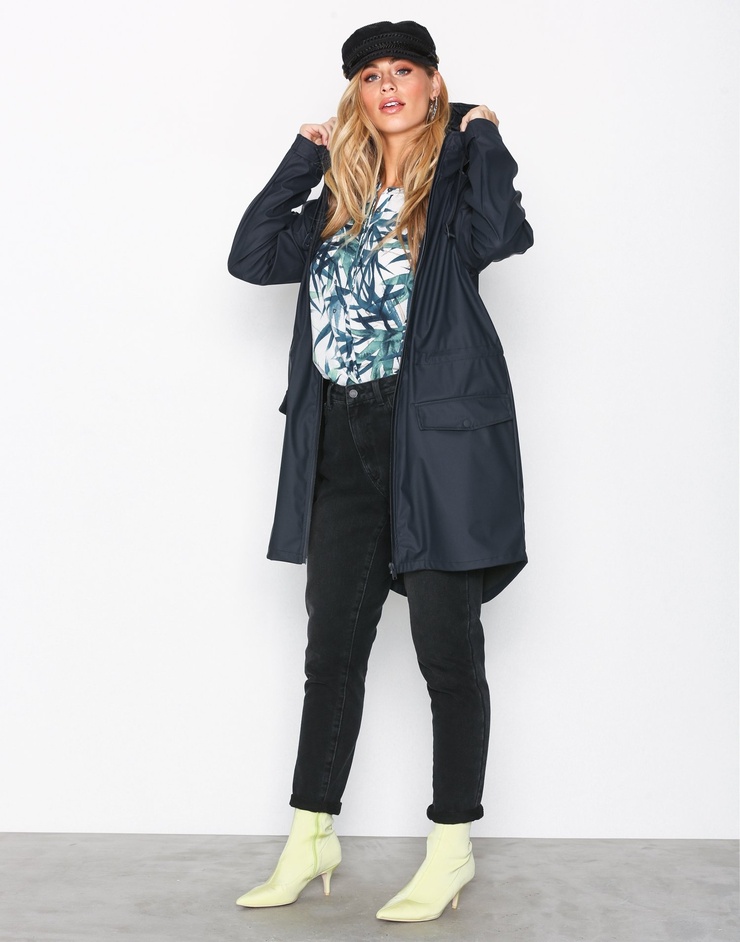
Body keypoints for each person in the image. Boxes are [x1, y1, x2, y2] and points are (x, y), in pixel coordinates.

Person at [227, 19, 533, 923]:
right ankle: (310, 836)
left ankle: (451, 847)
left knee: (448, 653)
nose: (387, 85)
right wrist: (304, 157)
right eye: (369, 75)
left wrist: (485, 135)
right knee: (332, 653)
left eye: (404, 70)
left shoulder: (457, 177)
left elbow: (504, 234)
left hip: (433, 439)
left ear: (434, 83)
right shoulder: (342, 192)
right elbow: (251, 256)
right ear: (355, 93)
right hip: (340, 436)